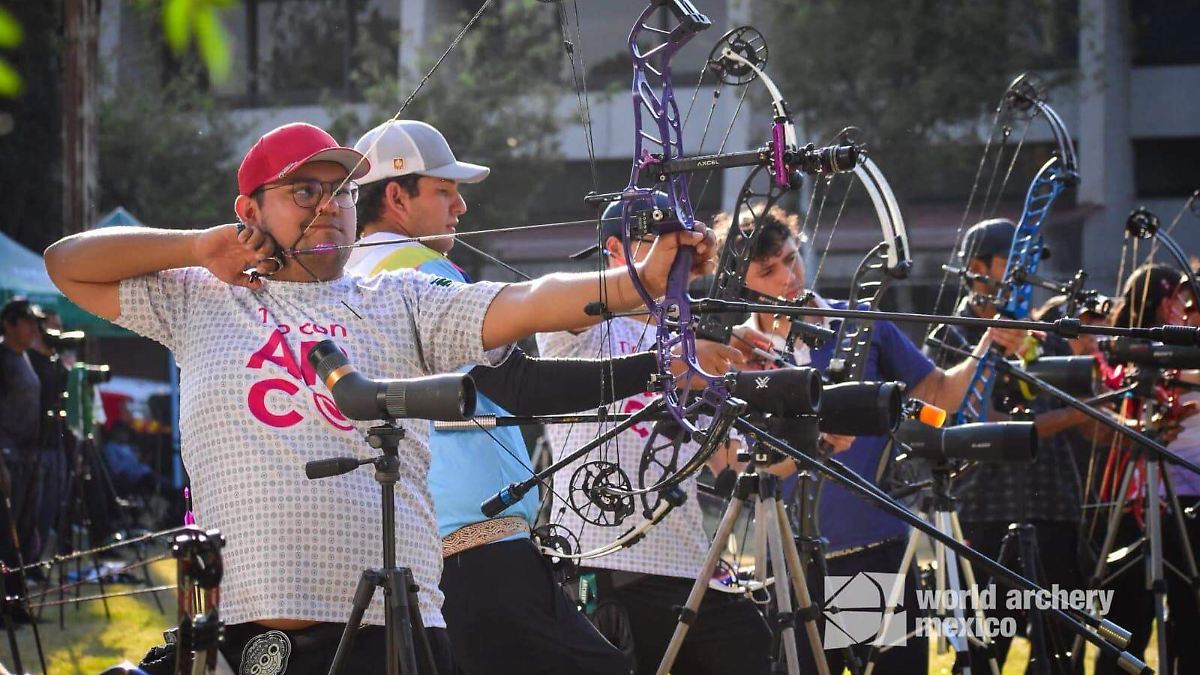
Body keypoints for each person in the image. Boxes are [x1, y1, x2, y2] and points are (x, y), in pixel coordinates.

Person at [43, 121, 719, 674]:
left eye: (338, 191)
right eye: (302, 191)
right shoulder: (199, 297)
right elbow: (66, 262)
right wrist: (196, 246)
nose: (325, 205)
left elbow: (525, 301)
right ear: (249, 209)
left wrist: (639, 280)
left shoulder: (396, 299)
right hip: (246, 624)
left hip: (386, 629)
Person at [344, 120, 743, 674]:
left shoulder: (351, 275)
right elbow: (521, 385)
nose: (459, 206)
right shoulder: (417, 269)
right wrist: (662, 366)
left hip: (416, 543)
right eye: (443, 190)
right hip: (471, 545)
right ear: (395, 195)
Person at [715, 206, 1022, 674]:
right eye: (768, 270)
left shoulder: (857, 323)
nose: (788, 276)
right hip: (787, 561)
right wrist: (811, 447)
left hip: (865, 549)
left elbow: (942, 393)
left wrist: (989, 343)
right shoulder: (731, 352)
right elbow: (735, 469)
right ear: (741, 280)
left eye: (793, 259)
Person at [537, 195, 771, 675]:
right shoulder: (576, 330)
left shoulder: (694, 346)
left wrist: (782, 409)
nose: (675, 265)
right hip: (607, 567)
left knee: (749, 640)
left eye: (682, 254)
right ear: (615, 251)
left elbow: (729, 463)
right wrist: (689, 354)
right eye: (657, 247)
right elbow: (556, 301)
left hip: (689, 568)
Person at [925, 218, 1090, 673]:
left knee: (1061, 650)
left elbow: (1084, 412)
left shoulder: (1048, 333)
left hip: (1053, 510)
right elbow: (966, 423)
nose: (1026, 270)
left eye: (1032, 260)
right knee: (981, 652)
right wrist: (1067, 416)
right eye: (1014, 261)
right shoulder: (948, 335)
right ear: (978, 268)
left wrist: (1036, 354)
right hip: (982, 514)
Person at [1091, 264, 1200, 675]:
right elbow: (1111, 403)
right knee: (1129, 616)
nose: (1182, 312)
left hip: (1189, 503)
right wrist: (1150, 424)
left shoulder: (1184, 350)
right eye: (1177, 302)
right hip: (1138, 502)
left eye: (1188, 304)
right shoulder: (1128, 352)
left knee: (1190, 618)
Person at [0, 298, 44, 622]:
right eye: (27, 322)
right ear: (9, 324)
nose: (33, 329)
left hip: (28, 457)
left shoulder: (25, 357)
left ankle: (17, 603)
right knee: (5, 535)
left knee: (25, 534)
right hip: (6, 456)